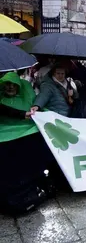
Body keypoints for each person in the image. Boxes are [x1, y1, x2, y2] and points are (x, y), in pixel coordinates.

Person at [0, 72, 55, 211]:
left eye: (14, 85)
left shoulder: (27, 95)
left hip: (27, 130)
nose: (11, 87)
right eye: (7, 85)